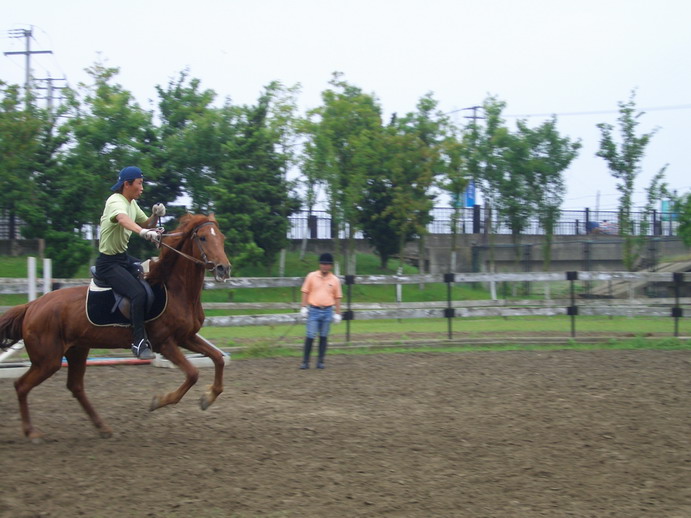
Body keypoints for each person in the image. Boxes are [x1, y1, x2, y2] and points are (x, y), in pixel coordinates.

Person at [96, 166, 166, 360]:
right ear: (127, 184)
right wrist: (143, 233)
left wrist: (155, 216)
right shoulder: (115, 201)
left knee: (153, 271)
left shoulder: (131, 202)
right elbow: (123, 219)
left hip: (122, 258)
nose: (142, 188)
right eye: (139, 183)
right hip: (108, 264)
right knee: (137, 293)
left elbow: (146, 224)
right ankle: (138, 341)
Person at [299, 253, 342, 369]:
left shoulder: (335, 280)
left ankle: (320, 361)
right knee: (310, 335)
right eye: (323, 264)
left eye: (327, 264)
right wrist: (303, 307)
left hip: (327, 310)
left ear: (331, 266)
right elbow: (305, 291)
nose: (324, 266)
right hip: (314, 309)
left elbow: (337, 297)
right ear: (319, 264)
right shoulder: (311, 276)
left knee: (323, 336)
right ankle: (305, 361)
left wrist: (337, 313)